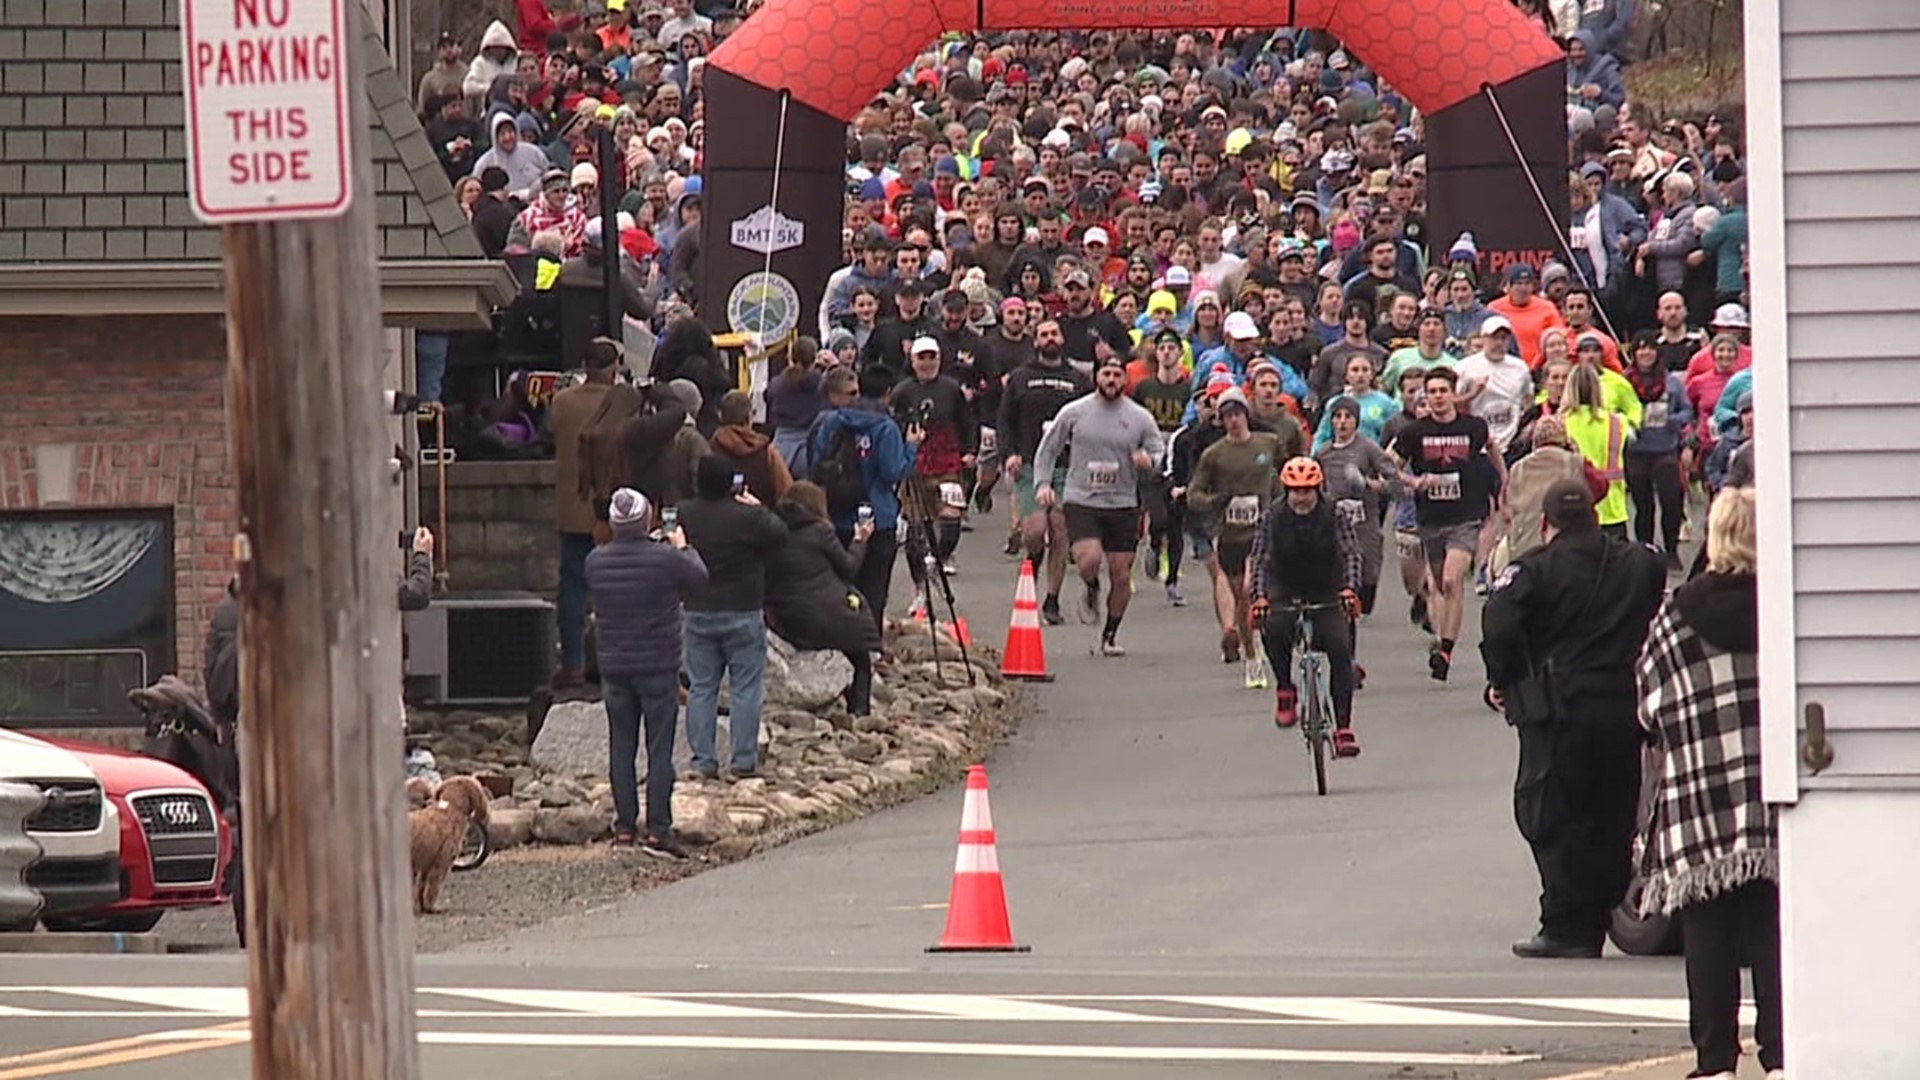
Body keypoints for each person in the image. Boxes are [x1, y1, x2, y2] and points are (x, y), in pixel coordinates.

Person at [1480, 478, 1666, 959]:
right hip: (1624, 702)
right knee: (1614, 812)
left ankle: (1566, 925)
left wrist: (1507, 679)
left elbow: (1499, 621)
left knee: (1552, 813)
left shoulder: (1534, 570)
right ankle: (1602, 912)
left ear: (1546, 524)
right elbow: (1655, 590)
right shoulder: (1639, 562)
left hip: (1560, 706)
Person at [1635, 487, 1781, 1080]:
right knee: (1773, 925)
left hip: (1700, 787)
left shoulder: (1677, 613)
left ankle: (1716, 1059)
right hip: (1772, 787)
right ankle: (1781, 1054)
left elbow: (1648, 703)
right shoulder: (1784, 607)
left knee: (1708, 928)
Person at [585, 488, 707, 856]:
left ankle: (624, 827)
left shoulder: (595, 562)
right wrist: (681, 545)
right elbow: (700, 577)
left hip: (615, 667)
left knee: (621, 748)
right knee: (659, 750)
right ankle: (658, 829)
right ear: (646, 519)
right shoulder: (667, 559)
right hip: (657, 665)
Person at [1031, 354, 1167, 656]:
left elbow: (1160, 454)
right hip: (1082, 498)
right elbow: (1048, 449)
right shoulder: (1075, 412)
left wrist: (1150, 462)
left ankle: (1110, 635)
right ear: (1096, 378)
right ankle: (1091, 586)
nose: (1111, 381)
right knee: (1088, 559)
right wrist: (1043, 484)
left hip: (1123, 503)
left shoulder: (1139, 417)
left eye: (1117, 375)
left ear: (1125, 380)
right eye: (1106, 374)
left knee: (1121, 574)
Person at [676, 455, 788, 781]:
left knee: (701, 688)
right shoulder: (748, 518)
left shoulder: (685, 513)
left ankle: (703, 760)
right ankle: (742, 760)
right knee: (746, 688)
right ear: (731, 484)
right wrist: (758, 507)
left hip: (697, 609)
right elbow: (780, 536)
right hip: (742, 607)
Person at [1248, 456, 1365, 757]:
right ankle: (1285, 688)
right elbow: (1260, 559)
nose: (1301, 497)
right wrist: (1259, 596)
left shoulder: (1334, 514)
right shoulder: (1271, 517)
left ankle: (1343, 728)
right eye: (1295, 491)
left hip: (1326, 585)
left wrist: (1350, 589)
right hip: (1284, 584)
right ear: (1286, 491)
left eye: (1307, 491)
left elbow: (1350, 553)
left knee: (1340, 648)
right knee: (1273, 626)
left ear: (1318, 489)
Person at [809, 365, 922, 631]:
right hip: (878, 518)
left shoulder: (831, 422)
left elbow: (816, 468)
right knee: (874, 590)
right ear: (887, 395)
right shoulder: (885, 427)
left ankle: (842, 642)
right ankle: (870, 647)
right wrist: (912, 447)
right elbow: (893, 471)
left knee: (842, 587)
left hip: (838, 516)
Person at [1186, 387, 1284, 683]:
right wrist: (1215, 501)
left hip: (1261, 529)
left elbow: (1282, 473)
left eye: (1237, 414)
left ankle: (1260, 649)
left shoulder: (1268, 443)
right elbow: (1194, 495)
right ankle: (1251, 655)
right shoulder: (1213, 455)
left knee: (1248, 589)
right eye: (1227, 416)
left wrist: (1283, 504)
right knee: (1240, 598)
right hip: (1228, 533)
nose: (1233, 420)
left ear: (1246, 415)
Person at [1000, 318, 1093, 624]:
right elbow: (1005, 419)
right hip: (1030, 464)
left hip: (1068, 465)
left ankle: (1052, 600)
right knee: (1035, 531)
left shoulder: (1077, 379)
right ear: (1035, 341)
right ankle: (1033, 558)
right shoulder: (1021, 377)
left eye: (1054, 333)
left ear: (1062, 338)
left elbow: (1092, 420)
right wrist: (1009, 453)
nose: (1049, 338)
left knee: (1061, 528)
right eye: (1043, 334)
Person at [765, 482, 885, 718]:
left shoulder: (771, 531)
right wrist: (859, 540)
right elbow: (849, 568)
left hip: (788, 620)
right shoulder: (820, 531)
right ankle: (859, 712)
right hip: (827, 618)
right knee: (861, 657)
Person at [547, 338, 625, 687]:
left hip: (572, 508)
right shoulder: (622, 405)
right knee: (619, 587)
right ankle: (616, 660)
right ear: (614, 372)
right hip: (612, 510)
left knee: (573, 588)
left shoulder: (562, 403)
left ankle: (574, 663)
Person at [1623, 332, 1693, 568]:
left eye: (1650, 348)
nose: (1646, 353)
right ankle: (1645, 551)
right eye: (1640, 348)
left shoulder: (1671, 381)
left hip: (1665, 449)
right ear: (1634, 353)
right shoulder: (1625, 382)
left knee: (1671, 501)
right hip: (1636, 450)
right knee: (1643, 506)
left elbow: (1687, 411)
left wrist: (1672, 420)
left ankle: (1671, 549)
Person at [708, 389, 794, 506]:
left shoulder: (711, 448)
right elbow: (786, 491)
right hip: (762, 518)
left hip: (719, 519)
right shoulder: (767, 452)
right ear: (749, 418)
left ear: (721, 417)